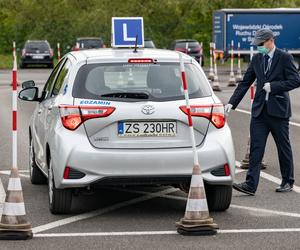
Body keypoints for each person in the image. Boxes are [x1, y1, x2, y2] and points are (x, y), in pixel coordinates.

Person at [225, 28, 300, 195]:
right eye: (257, 44)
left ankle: (288, 181)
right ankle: (250, 185)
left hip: (279, 112)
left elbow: (296, 80)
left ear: (270, 41)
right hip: (260, 112)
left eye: (260, 44)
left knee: (283, 148)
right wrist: (231, 103)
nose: (259, 47)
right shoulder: (257, 58)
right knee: (256, 149)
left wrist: (274, 87)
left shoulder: (284, 58)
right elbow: (245, 83)